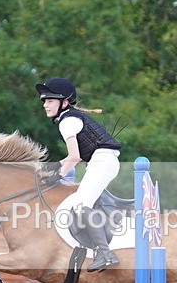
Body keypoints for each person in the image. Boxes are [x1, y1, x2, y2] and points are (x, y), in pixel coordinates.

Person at [36, 77, 122, 271]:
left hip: (102, 162)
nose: (45, 105)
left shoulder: (67, 122)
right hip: (101, 162)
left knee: (81, 206)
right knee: (81, 205)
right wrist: (55, 166)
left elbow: (74, 157)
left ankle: (105, 254)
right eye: (44, 101)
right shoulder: (70, 118)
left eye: (50, 101)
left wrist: (57, 176)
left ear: (64, 102)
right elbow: (74, 157)